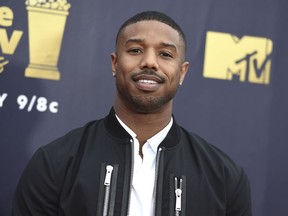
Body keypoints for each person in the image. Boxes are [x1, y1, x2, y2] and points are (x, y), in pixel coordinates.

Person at [12, 11, 252, 216]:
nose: (149, 62)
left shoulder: (224, 177)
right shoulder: (55, 163)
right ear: (115, 63)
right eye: (136, 50)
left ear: (182, 72)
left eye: (165, 54)